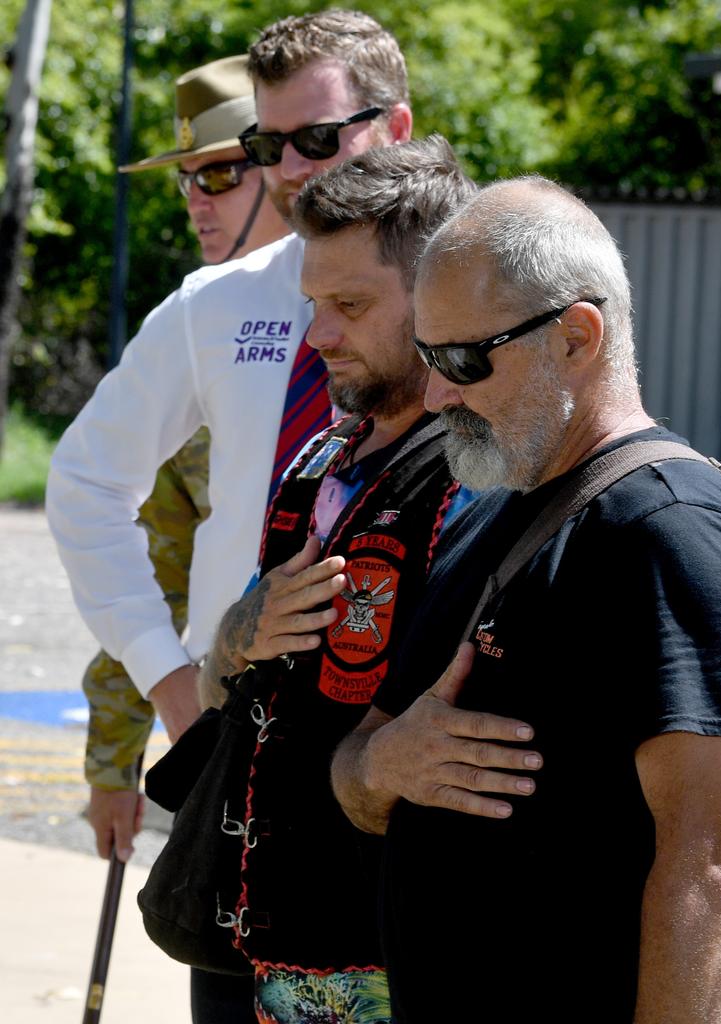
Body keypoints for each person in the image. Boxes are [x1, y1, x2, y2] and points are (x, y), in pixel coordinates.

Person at [45, 10, 413, 1022]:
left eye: (317, 138)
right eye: (265, 146)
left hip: (406, 762)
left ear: (397, 125)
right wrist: (171, 691)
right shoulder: (216, 306)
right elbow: (85, 487)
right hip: (246, 780)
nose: (290, 168)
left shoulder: (468, 289)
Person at [332, 176, 721, 1022]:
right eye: (428, 358)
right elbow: (356, 771)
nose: (437, 397)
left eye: (463, 360)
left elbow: (714, 863)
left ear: (578, 336)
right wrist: (388, 765)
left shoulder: (669, 530)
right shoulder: (498, 509)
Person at [192, 136, 475, 1024]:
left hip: (388, 961)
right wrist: (241, 632)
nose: (317, 338)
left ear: (442, 297)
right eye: (313, 303)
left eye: (349, 305)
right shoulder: (318, 459)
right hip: (248, 943)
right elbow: (220, 688)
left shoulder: (485, 478)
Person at [82, 53, 290, 862]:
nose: (197, 202)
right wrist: (113, 760)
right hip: (227, 724)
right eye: (187, 180)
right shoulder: (200, 336)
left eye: (220, 175)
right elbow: (150, 568)